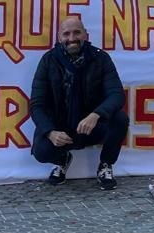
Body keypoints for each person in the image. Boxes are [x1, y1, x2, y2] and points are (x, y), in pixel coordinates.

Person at [28, 15, 128, 189]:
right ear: (59, 37)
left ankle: (106, 165)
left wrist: (97, 114)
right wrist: (50, 132)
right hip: (62, 126)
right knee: (41, 152)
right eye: (66, 34)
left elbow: (116, 94)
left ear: (86, 35)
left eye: (77, 33)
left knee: (120, 119)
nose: (72, 38)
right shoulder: (48, 60)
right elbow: (37, 105)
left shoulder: (101, 58)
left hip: (90, 124)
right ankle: (61, 160)